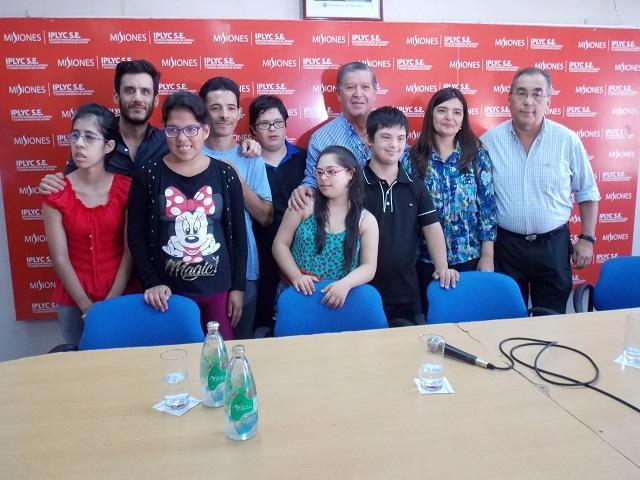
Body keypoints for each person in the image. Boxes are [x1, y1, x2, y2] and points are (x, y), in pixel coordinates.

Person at [127, 91, 247, 340]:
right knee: (173, 361)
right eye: (173, 130)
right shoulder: (147, 175)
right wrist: (150, 282)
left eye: (191, 129)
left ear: (205, 130)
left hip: (218, 291)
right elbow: (135, 235)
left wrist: (238, 287)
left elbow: (237, 235)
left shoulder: (225, 174)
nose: (182, 138)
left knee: (218, 360)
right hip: (167, 294)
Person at [481, 67, 600, 313]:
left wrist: (587, 238)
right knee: (504, 318)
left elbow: (587, 191)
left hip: (552, 247)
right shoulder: (489, 142)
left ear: (548, 100)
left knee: (552, 320)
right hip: (506, 248)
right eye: (521, 93)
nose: (528, 102)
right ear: (509, 98)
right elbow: (481, 200)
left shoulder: (567, 140)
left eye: (537, 94)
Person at [39, 60, 260, 191]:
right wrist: (54, 182)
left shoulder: (168, 141)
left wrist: (247, 142)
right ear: (116, 96)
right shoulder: (96, 139)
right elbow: (68, 182)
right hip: (107, 252)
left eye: (145, 91)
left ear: (155, 100)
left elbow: (202, 151)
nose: (137, 98)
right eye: (129, 90)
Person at [43, 103, 132, 345]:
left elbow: (128, 253)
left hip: (121, 295)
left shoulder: (126, 189)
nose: (79, 144)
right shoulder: (56, 191)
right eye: (75, 135)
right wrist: (86, 306)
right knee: (80, 371)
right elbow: (59, 257)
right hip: (73, 299)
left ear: (109, 146)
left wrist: (109, 305)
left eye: (89, 137)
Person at [363, 107, 458, 327]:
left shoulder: (416, 187)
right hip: (362, 290)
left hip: (406, 292)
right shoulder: (355, 185)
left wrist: (442, 266)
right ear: (369, 139)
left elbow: (432, 228)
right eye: (385, 137)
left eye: (400, 138)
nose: (394, 145)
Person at [406, 87, 497, 315]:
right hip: (425, 261)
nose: (449, 117)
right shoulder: (413, 158)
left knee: (470, 321)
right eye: (442, 110)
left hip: (469, 258)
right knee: (433, 320)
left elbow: (487, 208)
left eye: (457, 112)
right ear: (431, 116)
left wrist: (487, 256)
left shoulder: (476, 155)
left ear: (463, 119)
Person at [199, 77, 273, 339]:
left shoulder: (251, 157)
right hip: (198, 269)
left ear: (240, 113)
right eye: (215, 107)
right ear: (203, 110)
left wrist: (236, 181)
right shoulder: (190, 154)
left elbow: (265, 216)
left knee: (240, 345)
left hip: (245, 270)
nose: (224, 115)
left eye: (231, 107)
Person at [272, 145, 378, 314]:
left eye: (331, 172)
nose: (323, 178)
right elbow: (279, 244)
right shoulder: (303, 205)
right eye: (319, 172)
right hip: (298, 294)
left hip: (340, 298)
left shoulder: (365, 220)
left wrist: (345, 284)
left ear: (350, 173)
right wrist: (296, 276)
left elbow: (369, 266)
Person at [290, 61, 387, 210]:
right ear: (338, 94)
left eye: (365, 87)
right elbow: (313, 181)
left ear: (375, 92)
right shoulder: (321, 139)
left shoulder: (391, 132)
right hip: (342, 224)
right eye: (350, 87)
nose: (358, 94)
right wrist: (304, 191)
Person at [248, 95, 306, 332]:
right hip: (260, 248)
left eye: (278, 122)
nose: (272, 129)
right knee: (263, 320)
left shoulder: (305, 159)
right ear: (252, 129)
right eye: (264, 124)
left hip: (301, 253)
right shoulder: (247, 163)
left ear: (285, 124)